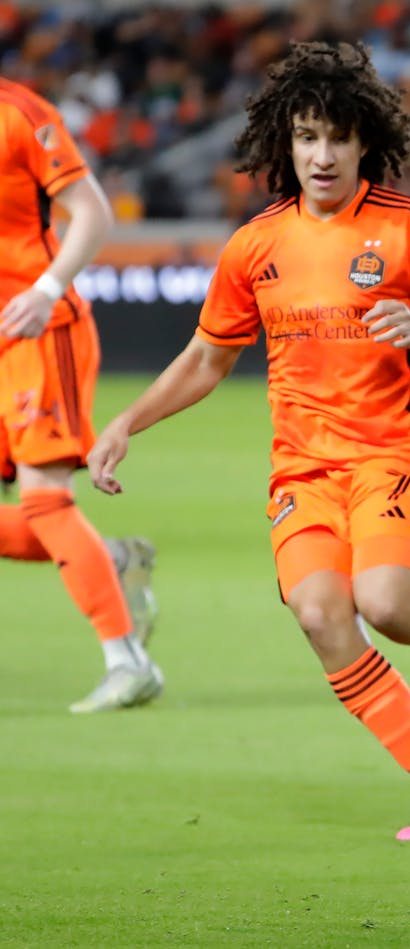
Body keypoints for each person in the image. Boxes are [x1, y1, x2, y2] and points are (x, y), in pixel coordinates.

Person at [86, 42, 410, 840]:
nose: (323, 154)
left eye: (337, 137)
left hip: (388, 459)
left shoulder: (408, 230)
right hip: (302, 470)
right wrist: (127, 421)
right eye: (307, 137)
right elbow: (208, 357)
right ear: (286, 144)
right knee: (318, 612)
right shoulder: (256, 246)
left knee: (385, 601)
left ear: (364, 141)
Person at [0, 77, 159, 714]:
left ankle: (128, 661)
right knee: (51, 523)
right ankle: (103, 559)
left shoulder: (20, 113)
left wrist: (46, 288)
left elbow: (92, 209)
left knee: (43, 501)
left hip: (39, 325)